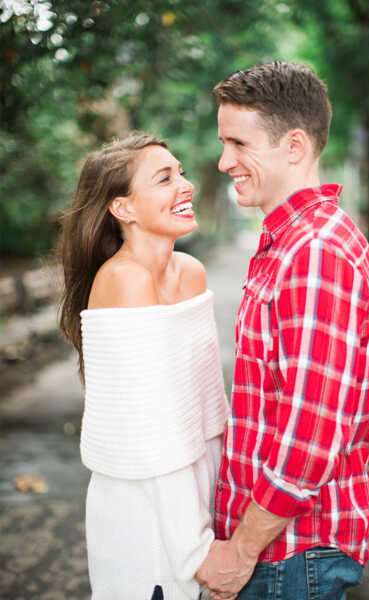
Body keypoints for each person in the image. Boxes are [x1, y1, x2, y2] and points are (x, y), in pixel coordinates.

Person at [196, 62, 369, 600]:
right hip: (284, 557)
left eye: (238, 143)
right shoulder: (290, 242)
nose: (224, 160)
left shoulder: (316, 252)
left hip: (289, 561)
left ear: (294, 146)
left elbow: (310, 438)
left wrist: (242, 549)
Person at [58, 133, 231, 600]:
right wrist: (195, 552)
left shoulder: (190, 272)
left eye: (181, 172)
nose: (186, 184)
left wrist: (219, 523)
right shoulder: (123, 281)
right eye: (164, 178)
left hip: (197, 506)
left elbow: (210, 419)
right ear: (123, 209)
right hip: (143, 517)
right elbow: (155, 442)